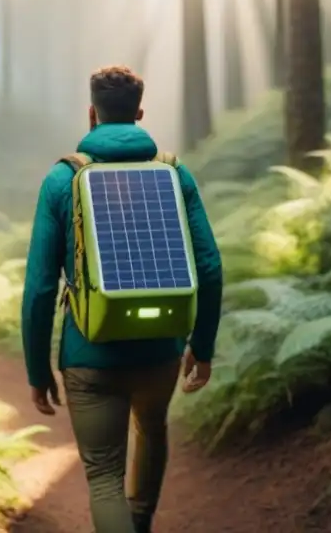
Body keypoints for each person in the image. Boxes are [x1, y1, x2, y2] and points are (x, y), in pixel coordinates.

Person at [21, 65, 224, 533]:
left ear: (92, 114)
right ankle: (142, 523)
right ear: (140, 112)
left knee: (103, 477)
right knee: (152, 429)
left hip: (89, 352)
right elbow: (210, 267)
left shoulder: (62, 179)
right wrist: (203, 346)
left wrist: (37, 370)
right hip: (161, 348)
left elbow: (39, 289)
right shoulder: (174, 173)